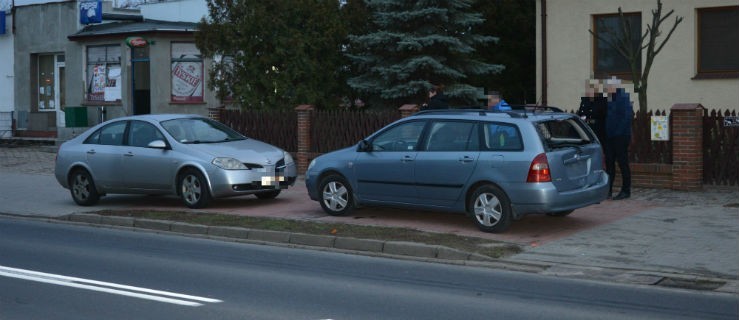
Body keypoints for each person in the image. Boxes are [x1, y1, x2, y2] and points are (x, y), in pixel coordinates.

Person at [604, 79, 633, 200]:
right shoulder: (608, 98)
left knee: (622, 163)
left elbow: (627, 117)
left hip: (621, 136)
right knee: (609, 163)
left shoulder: (623, 97)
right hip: (609, 136)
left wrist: (617, 133)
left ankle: (626, 190)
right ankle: (608, 190)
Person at [577, 79, 608, 143]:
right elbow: (581, 113)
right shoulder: (585, 100)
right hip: (585, 131)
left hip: (598, 131)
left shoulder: (602, 100)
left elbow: (604, 115)